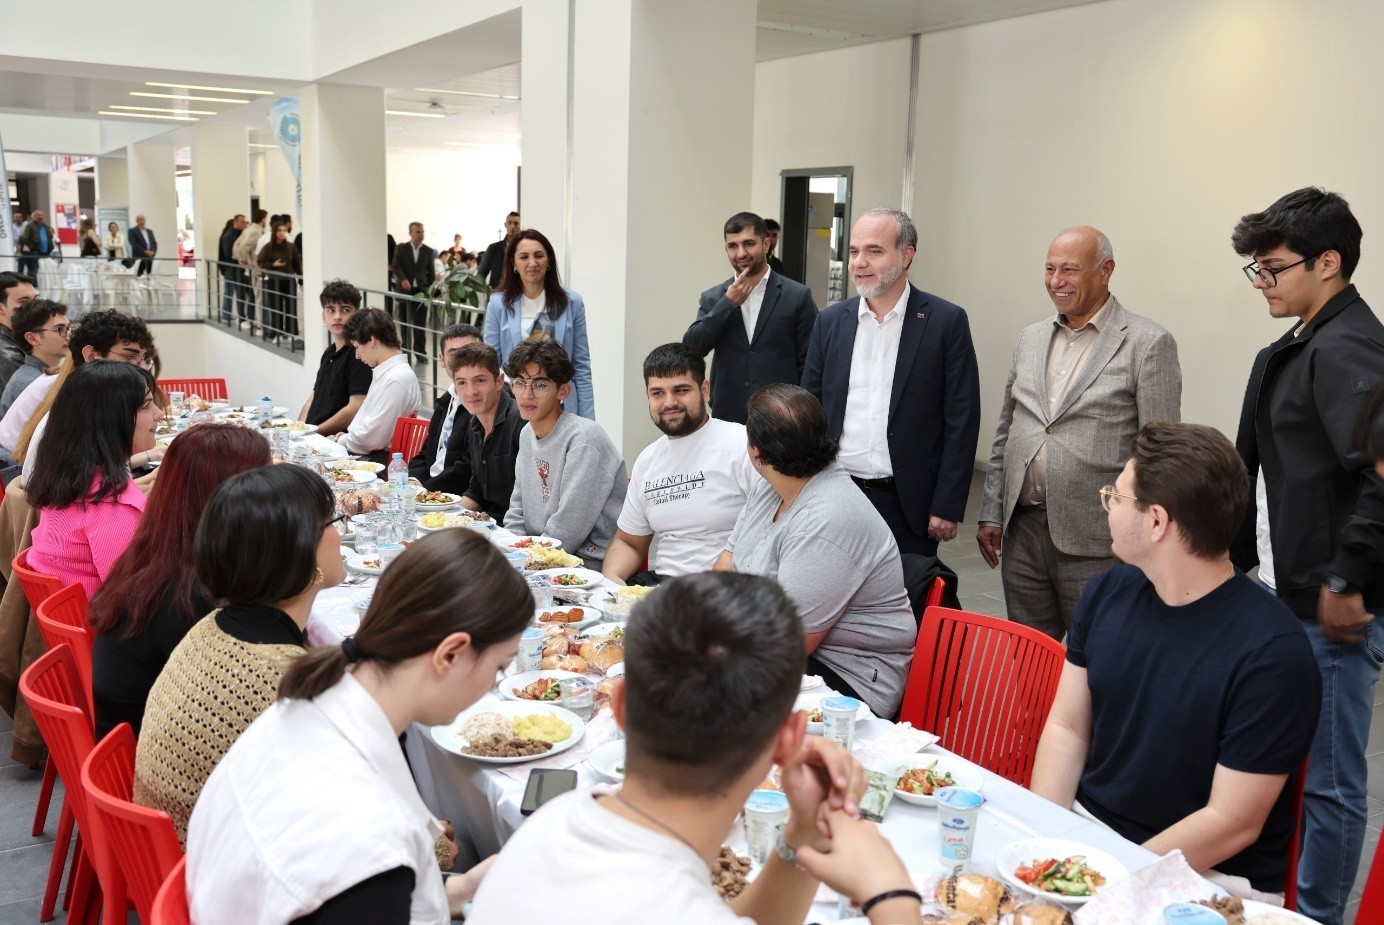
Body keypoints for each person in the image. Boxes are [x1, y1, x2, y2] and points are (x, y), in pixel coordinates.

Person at [470, 571, 922, 925]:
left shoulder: (548, 824)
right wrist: (893, 900)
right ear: (790, 739)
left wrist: (804, 833)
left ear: (620, 704)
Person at [1031, 422, 1320, 902]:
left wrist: (1113, 882)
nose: (1108, 507)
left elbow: (1232, 822)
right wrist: (1044, 841)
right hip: (1091, 835)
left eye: (1117, 497)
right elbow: (1068, 728)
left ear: (1157, 521)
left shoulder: (1273, 655)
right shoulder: (1106, 594)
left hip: (1207, 877)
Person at [188, 530, 525, 923]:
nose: (495, 684)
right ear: (450, 653)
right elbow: (367, 875)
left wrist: (462, 889)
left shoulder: (312, 704)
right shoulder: (370, 843)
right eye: (500, 667)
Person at [1227, 187, 1384, 924]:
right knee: (1275, 765)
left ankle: (1316, 916)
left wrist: (1348, 576)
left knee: (1329, 779)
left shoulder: (1350, 345)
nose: (1264, 283)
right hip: (1281, 593)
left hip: (1332, 604)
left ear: (1330, 262)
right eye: (1255, 270)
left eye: (1273, 269)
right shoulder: (1294, 346)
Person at [976, 226, 1182, 641]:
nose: (1056, 281)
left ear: (1106, 270)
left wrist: (1145, 541)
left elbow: (1159, 453)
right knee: (1031, 660)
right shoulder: (1031, 338)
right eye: (1050, 269)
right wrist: (991, 511)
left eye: (1070, 270)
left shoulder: (1147, 343)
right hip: (1024, 532)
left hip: (1099, 538)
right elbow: (1007, 431)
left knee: (1103, 659)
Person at [135, 464, 346, 843]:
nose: (340, 534)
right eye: (332, 522)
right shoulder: (287, 679)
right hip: (214, 873)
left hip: (169, 852)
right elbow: (343, 807)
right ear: (301, 552)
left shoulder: (211, 627)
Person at [715, 384, 914, 719]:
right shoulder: (770, 487)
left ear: (757, 452)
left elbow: (791, 643)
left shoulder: (827, 518)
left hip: (847, 679)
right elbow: (726, 564)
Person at [802, 207, 982, 557]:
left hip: (907, 503)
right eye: (854, 251)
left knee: (905, 603)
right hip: (837, 492)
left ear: (906, 255)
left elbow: (961, 418)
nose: (859, 262)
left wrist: (947, 503)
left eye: (874, 251)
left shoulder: (945, 322)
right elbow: (810, 407)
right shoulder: (830, 322)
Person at [87, 423, 271, 738]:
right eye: (266, 483)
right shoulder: (185, 597)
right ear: (230, 498)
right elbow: (254, 697)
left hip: (149, 740)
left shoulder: (161, 560)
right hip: (157, 765)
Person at [604, 343, 758, 585]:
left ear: (705, 390)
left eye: (681, 390)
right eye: (658, 393)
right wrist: (612, 583)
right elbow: (629, 542)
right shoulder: (647, 460)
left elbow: (774, 528)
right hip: (663, 585)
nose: (669, 402)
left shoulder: (742, 444)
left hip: (727, 590)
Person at [24, 361, 159, 596]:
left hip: (82, 618)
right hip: (106, 624)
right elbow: (134, 596)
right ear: (110, 419)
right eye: (147, 405)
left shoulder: (70, 479)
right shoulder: (113, 510)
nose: (158, 413)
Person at [683, 212, 819, 424]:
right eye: (733, 246)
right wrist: (727, 304)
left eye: (748, 243)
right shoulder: (713, 298)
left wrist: (801, 410)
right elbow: (692, 349)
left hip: (782, 415)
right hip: (728, 412)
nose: (741, 253)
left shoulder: (797, 295)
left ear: (766, 244)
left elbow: (811, 361)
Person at [503, 339, 625, 568]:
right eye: (519, 382)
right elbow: (516, 511)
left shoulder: (584, 439)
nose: (527, 394)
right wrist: (510, 551)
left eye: (540, 385)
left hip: (584, 562)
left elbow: (567, 531)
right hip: (535, 556)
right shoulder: (526, 433)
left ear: (563, 391)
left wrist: (521, 562)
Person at [7, 309, 156, 476]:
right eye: (130, 357)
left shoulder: (89, 405)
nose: (143, 368)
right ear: (92, 356)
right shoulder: (81, 420)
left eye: (144, 359)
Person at [484, 228, 595, 419]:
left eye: (539, 256)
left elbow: (581, 366)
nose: (532, 263)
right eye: (524, 257)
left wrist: (588, 420)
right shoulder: (498, 303)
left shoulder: (572, 302)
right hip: (515, 407)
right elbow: (491, 364)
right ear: (514, 264)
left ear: (548, 261)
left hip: (561, 407)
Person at [335, 307, 421, 462]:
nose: (357, 355)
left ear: (371, 340)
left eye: (356, 347)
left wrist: (340, 441)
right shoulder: (388, 372)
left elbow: (372, 438)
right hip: (368, 454)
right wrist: (346, 438)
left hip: (377, 460)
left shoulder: (396, 378)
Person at [451, 343, 523, 522]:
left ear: (499, 381)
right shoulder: (475, 422)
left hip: (513, 529)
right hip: (487, 524)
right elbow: (476, 491)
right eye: (462, 383)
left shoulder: (520, 422)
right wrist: (446, 518)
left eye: (480, 380)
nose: (471, 391)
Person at [408, 323, 482, 493]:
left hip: (451, 496)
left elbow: (467, 468)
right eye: (454, 354)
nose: (463, 359)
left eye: (470, 351)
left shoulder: (482, 402)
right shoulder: (447, 398)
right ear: (442, 360)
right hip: (429, 492)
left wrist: (426, 490)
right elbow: (426, 452)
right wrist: (413, 480)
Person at [298, 280, 374, 436]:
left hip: (333, 443)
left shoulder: (359, 355)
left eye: (345, 310)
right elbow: (311, 400)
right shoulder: (328, 353)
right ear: (323, 316)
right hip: (311, 438)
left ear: (357, 315)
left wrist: (314, 432)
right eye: (331, 310)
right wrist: (296, 430)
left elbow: (355, 407)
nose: (337, 316)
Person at [0, 298, 68, 418]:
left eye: (68, 328)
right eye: (59, 329)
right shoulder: (28, 382)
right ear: (33, 338)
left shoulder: (42, 376)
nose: (68, 335)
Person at [392, 221, 435, 359]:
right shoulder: (401, 248)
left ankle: (420, 352)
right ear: (410, 233)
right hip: (405, 291)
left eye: (422, 232)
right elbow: (396, 266)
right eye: (418, 232)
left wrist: (430, 290)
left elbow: (431, 273)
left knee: (420, 324)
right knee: (405, 323)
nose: (421, 234)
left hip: (421, 292)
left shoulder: (428, 251)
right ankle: (405, 351)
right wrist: (403, 279)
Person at [258, 219, 302, 342]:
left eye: (284, 230)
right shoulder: (268, 247)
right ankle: (276, 333)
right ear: (274, 232)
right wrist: (273, 264)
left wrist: (301, 281)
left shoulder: (290, 247)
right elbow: (261, 263)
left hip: (288, 281)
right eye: (279, 230)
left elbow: (297, 264)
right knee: (276, 308)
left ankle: (290, 333)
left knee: (291, 308)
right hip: (273, 281)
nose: (282, 233)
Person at [0, 271, 38, 394]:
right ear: (1, 309)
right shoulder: (10, 357)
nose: (36, 307)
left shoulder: (19, 338)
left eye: (36, 300)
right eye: (24, 302)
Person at [233, 209, 268, 331]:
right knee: (259, 298)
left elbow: (236, 245)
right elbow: (241, 247)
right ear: (263, 219)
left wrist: (240, 258)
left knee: (257, 297)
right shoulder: (255, 232)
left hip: (252, 268)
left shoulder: (248, 229)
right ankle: (261, 324)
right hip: (256, 268)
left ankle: (261, 323)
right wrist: (242, 259)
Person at [478, 210, 520, 289]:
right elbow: (481, 273)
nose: (512, 226)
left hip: (519, 293)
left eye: (516, 223)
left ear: (520, 226)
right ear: (505, 225)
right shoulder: (493, 248)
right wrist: (484, 290)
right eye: (509, 223)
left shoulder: (524, 249)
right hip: (496, 293)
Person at [218, 213, 247, 325]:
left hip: (235, 269)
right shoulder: (229, 236)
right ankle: (226, 315)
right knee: (230, 292)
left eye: (245, 222)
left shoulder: (238, 235)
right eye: (242, 222)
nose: (244, 224)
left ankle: (236, 315)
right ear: (235, 222)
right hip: (231, 269)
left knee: (238, 292)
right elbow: (229, 255)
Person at [17, 210, 56, 279]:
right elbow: (25, 238)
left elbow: (51, 237)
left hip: (46, 252)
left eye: (41, 215)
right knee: (34, 270)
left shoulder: (46, 227)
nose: (40, 217)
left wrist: (51, 247)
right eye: (38, 215)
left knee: (44, 270)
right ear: (34, 217)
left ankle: (43, 284)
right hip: (35, 252)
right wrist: (32, 247)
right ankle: (33, 285)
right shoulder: (30, 226)